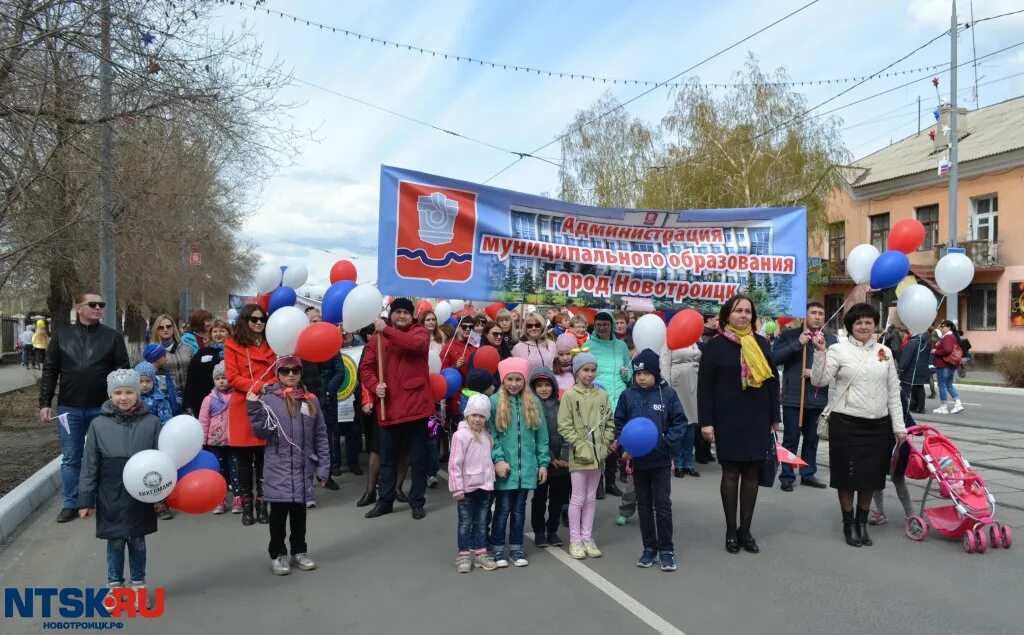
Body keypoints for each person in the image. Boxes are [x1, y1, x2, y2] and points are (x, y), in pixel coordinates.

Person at [811, 302, 907, 548]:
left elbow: (893, 392)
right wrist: (820, 353)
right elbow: (819, 380)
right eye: (859, 322)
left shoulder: (884, 352)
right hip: (847, 424)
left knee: (871, 478)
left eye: (868, 322)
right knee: (847, 477)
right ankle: (848, 523)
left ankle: (862, 522)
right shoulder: (837, 350)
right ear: (850, 326)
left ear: (875, 325)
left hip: (878, 426)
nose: (864, 326)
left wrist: (899, 427)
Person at [698, 294, 780, 555]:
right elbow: (705, 387)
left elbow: (772, 382)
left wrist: (774, 416)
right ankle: (731, 530)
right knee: (731, 472)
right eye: (738, 311)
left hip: (757, 416)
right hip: (727, 418)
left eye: (748, 311)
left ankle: (746, 530)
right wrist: (706, 422)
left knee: (752, 473)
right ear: (727, 315)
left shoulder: (761, 343)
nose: (743, 315)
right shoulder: (715, 346)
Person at [40, 291, 129, 523]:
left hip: (104, 408)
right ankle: (71, 503)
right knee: (71, 457)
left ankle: (106, 501)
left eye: (102, 304)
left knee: (107, 456)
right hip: (69, 409)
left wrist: (123, 402)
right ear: (79, 308)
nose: (98, 307)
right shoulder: (62, 336)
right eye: (93, 304)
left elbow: (123, 372)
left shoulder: (112, 337)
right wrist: (44, 403)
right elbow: (50, 370)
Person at [77, 369, 161, 593]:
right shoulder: (98, 425)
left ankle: (138, 586)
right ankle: (115, 585)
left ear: (137, 393)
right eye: (118, 393)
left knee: (137, 540)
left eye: (129, 392)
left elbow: (161, 462)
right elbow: (90, 464)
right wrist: (86, 499)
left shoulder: (152, 422)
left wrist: (161, 497)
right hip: (109, 492)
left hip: (141, 493)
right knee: (114, 540)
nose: (123, 397)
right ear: (110, 395)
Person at [247, 356, 330, 576]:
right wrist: (253, 408)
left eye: (295, 370)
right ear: (278, 373)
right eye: (285, 371)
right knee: (278, 515)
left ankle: (299, 551)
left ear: (301, 372)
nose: (291, 374)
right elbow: (261, 432)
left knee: (299, 514)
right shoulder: (269, 399)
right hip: (278, 467)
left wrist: (323, 467)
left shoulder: (311, 400)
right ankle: (278, 554)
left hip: (302, 467)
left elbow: (320, 434)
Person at [359, 298, 435, 520]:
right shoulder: (377, 339)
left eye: (405, 312)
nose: (401, 315)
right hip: (389, 408)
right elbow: (366, 368)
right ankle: (385, 502)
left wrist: (387, 331)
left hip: (416, 408)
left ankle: (417, 501)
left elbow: (413, 345)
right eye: (397, 312)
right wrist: (375, 386)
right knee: (387, 459)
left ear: (412, 316)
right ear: (391, 314)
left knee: (418, 458)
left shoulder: (420, 333)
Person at [614, 349, 685, 571]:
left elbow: (680, 423)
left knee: (662, 506)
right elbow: (619, 423)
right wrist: (624, 447)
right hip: (639, 462)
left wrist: (665, 443)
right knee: (643, 505)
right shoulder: (628, 396)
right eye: (638, 373)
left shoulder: (668, 394)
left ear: (655, 372)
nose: (641, 377)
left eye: (646, 373)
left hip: (661, 461)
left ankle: (666, 550)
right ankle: (649, 549)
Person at [486, 357, 549, 568]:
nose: (514, 383)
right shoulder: (494, 402)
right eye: (510, 379)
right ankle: (496, 547)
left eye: (518, 379)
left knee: (520, 508)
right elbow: (491, 436)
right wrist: (498, 460)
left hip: (527, 468)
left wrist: (542, 463)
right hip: (506, 468)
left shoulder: (533, 402)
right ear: (503, 379)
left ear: (524, 381)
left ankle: (516, 546)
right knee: (503, 508)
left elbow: (542, 436)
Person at [771, 302, 836, 492]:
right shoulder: (789, 335)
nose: (817, 316)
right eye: (813, 313)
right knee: (790, 439)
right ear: (805, 315)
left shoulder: (830, 339)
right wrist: (797, 344)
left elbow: (834, 366)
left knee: (811, 439)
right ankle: (787, 476)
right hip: (793, 397)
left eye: (821, 313)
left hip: (816, 397)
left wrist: (815, 372)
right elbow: (775, 359)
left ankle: (808, 474)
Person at [558, 352, 614, 560]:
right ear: (577, 372)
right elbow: (564, 425)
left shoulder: (602, 395)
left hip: (597, 455)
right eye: (585, 370)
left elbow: (609, 421)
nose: (590, 374)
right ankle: (575, 539)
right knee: (578, 498)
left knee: (591, 498)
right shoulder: (570, 396)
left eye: (592, 370)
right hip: (580, 456)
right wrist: (580, 445)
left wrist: (605, 443)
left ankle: (587, 537)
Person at [224, 304, 275, 526]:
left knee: (265, 460)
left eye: (262, 319)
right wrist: (258, 386)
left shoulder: (273, 341)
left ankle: (262, 504)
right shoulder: (232, 344)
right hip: (242, 406)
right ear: (245, 321)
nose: (258, 323)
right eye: (254, 319)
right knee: (243, 462)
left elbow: (280, 372)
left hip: (268, 405)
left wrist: (268, 386)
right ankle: (246, 505)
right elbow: (232, 378)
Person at [448, 394, 498, 573]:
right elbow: (454, 464)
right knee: (465, 523)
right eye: (474, 415)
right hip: (467, 489)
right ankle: (463, 554)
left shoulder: (486, 435)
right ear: (467, 415)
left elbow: (487, 461)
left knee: (481, 522)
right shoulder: (460, 436)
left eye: (482, 416)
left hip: (484, 487)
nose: (478, 419)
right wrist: (457, 488)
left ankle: (480, 553)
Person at [588, 311, 631, 498]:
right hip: (597, 398)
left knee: (613, 444)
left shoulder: (621, 346)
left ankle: (611, 482)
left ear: (612, 325)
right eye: (598, 324)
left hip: (618, 398)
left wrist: (625, 374)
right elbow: (582, 371)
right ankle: (597, 482)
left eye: (605, 324)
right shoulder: (588, 345)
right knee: (597, 442)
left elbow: (629, 370)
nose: (602, 327)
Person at [528, 366, 568, 550]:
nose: (543, 389)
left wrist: (564, 455)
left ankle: (552, 530)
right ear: (533, 388)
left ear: (553, 386)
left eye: (547, 385)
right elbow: (535, 436)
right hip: (541, 463)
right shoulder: (531, 408)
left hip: (562, 463)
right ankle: (539, 531)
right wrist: (550, 457)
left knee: (558, 499)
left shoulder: (562, 405)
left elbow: (568, 431)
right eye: (539, 386)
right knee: (539, 499)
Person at [660, 342, 702, 478]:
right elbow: (664, 365)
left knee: (691, 424)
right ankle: (678, 464)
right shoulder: (669, 341)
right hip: (677, 385)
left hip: (693, 383)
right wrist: (667, 388)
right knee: (677, 424)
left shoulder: (692, 340)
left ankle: (688, 463)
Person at [198, 361, 235, 514]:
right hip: (215, 442)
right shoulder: (208, 399)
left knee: (235, 470)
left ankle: (239, 498)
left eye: (224, 377)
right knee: (217, 471)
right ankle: (220, 499)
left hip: (234, 441)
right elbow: (203, 422)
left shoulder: (236, 396)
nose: (221, 381)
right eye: (218, 378)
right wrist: (202, 441)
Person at [183, 319, 232, 415]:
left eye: (222, 331)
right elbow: (192, 377)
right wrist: (188, 403)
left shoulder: (234, 352)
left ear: (229, 333)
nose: (218, 334)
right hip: (204, 402)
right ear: (210, 334)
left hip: (230, 401)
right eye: (215, 331)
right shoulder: (202, 353)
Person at [147, 314, 192, 407]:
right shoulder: (153, 351)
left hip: (189, 395)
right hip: (166, 397)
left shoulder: (187, 347)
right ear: (157, 330)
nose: (165, 329)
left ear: (173, 327)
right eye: (161, 327)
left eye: (168, 326)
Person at [932, 320, 965, 415]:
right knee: (948, 385)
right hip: (950, 364)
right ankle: (958, 404)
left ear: (949, 327)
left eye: (943, 326)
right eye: (941, 326)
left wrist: (935, 352)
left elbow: (947, 350)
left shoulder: (948, 337)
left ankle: (943, 407)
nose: (941, 328)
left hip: (944, 365)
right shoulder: (952, 336)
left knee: (942, 385)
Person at [142, 344, 181, 416]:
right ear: (157, 359)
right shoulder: (151, 378)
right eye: (164, 356)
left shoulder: (163, 373)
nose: (166, 359)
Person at [899, 329, 931, 416]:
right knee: (918, 388)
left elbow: (906, 358)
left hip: (912, 370)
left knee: (908, 388)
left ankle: (914, 407)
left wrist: (901, 368)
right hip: (921, 369)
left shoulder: (913, 342)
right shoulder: (924, 342)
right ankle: (917, 407)